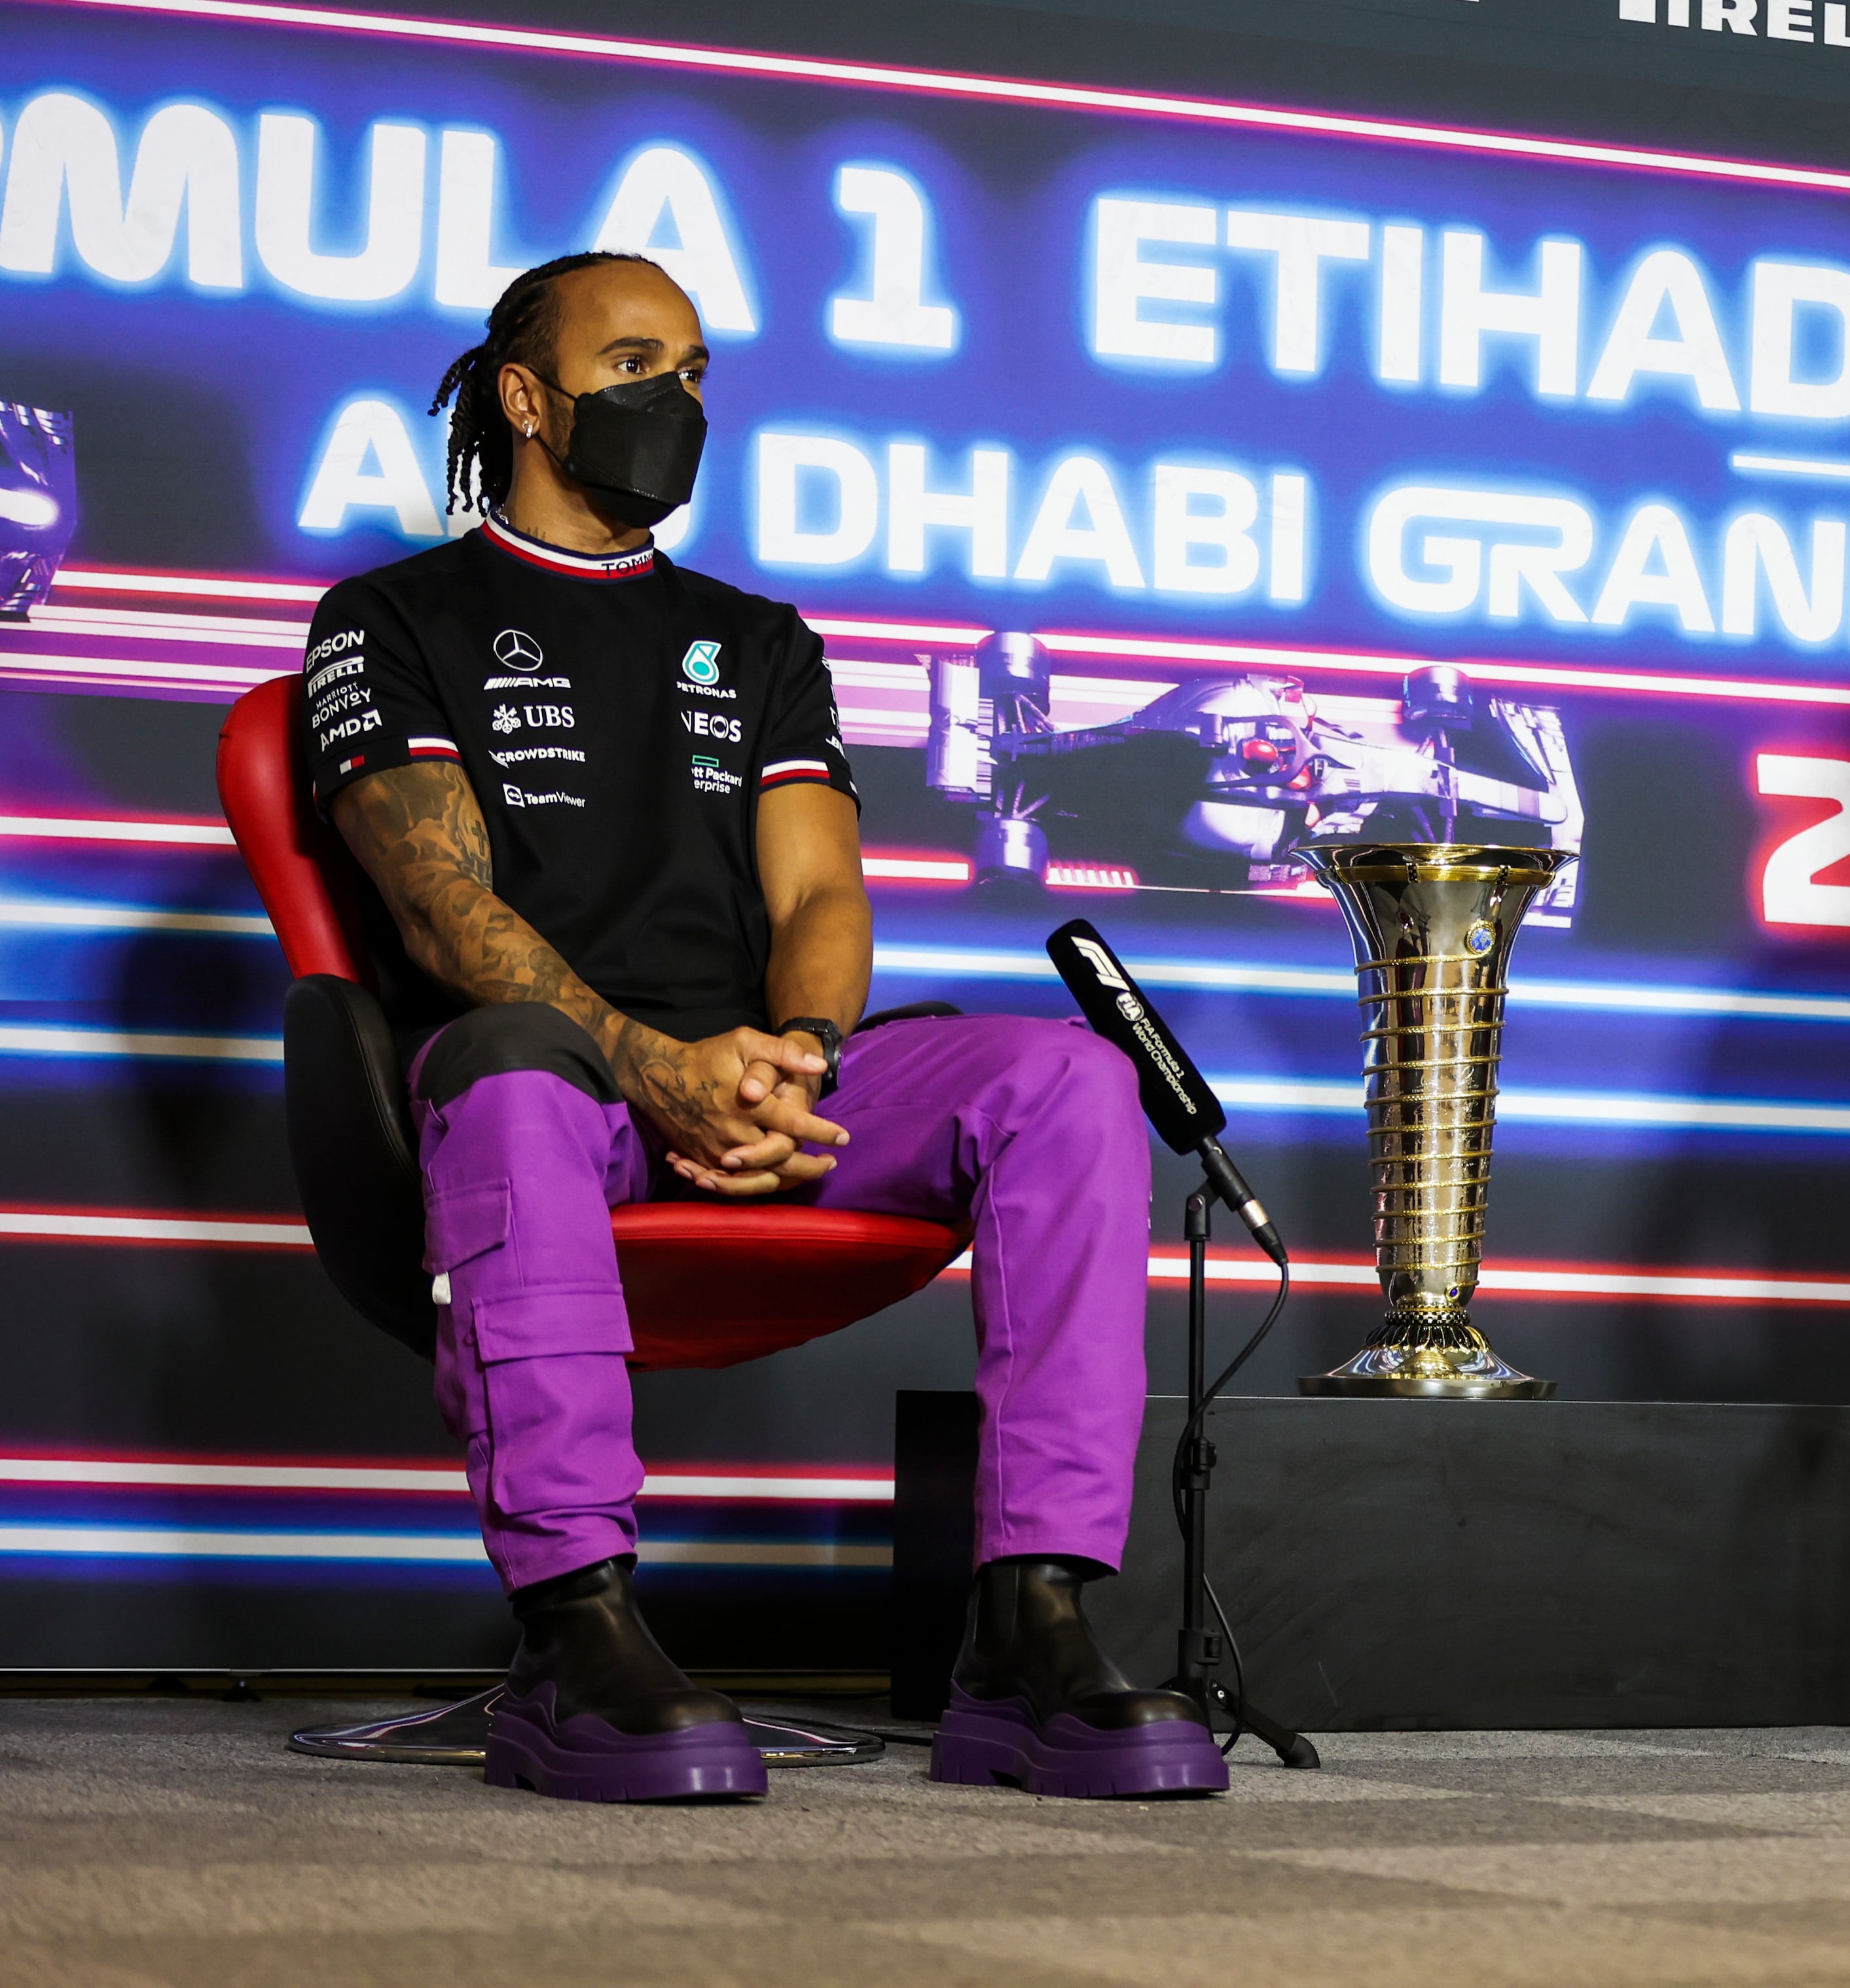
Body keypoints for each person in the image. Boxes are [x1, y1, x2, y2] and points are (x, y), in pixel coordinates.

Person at [300, 251, 1225, 1803]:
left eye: (702, 366)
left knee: (1067, 1076)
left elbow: (820, 899)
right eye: (639, 360)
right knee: (518, 1069)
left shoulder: (759, 638)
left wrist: (791, 1055)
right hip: (548, 1081)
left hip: (757, 1089)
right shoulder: (389, 617)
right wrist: (649, 1064)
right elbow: (437, 909)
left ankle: (1028, 1621)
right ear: (529, 398)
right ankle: (574, 1630)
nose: (682, 398)